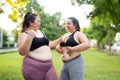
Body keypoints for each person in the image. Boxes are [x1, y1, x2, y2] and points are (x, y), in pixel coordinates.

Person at [18, 12, 60, 80]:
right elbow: (22, 52)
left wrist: (60, 40)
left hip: (48, 65)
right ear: (31, 22)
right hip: (33, 67)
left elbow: (47, 45)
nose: (40, 23)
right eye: (38, 21)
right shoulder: (24, 34)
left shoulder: (41, 32)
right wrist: (30, 37)